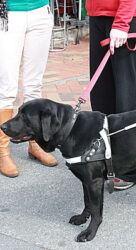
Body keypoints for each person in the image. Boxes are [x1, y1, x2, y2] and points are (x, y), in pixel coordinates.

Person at [85, 0, 136, 190]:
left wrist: (121, 24)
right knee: (102, 96)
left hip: (126, 19)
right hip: (98, 16)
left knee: (128, 99)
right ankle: (111, 161)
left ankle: (135, 169)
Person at [0, 0, 57, 178]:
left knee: (34, 86)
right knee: (6, 88)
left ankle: (34, 143)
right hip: (8, 14)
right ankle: (3, 152)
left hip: (40, 11)